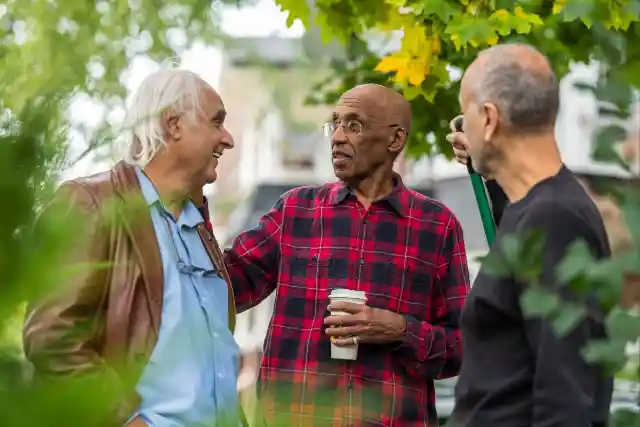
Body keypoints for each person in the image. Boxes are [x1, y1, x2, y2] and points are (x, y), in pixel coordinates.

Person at [224, 83, 471, 426]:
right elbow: (219, 287)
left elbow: (464, 346)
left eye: (353, 125)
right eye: (335, 123)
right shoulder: (296, 210)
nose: (337, 137)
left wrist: (400, 331)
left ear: (395, 140)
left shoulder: (437, 226)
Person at [22, 69, 240, 427]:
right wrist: (127, 420)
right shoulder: (92, 203)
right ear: (173, 125)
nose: (228, 139)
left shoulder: (199, 226)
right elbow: (51, 335)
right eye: (217, 122)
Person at [446, 43, 613, 427]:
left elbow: (565, 400)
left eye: (464, 113)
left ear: (489, 119)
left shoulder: (555, 221)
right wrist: (487, 166)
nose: (462, 129)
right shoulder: (539, 212)